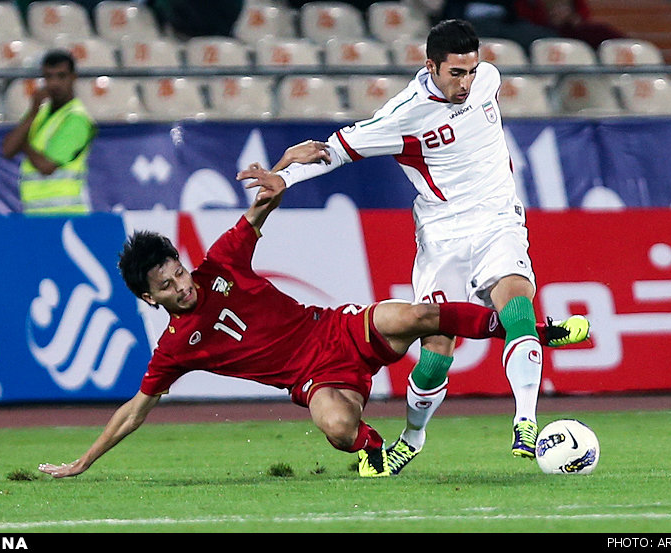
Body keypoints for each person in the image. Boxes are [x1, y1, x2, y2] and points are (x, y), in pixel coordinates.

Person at [244, 19, 590, 476]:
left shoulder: (488, 80)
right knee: (436, 352)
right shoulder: (404, 114)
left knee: (517, 302)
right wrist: (284, 176)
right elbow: (336, 151)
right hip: (442, 236)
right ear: (431, 67)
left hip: (498, 220)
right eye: (455, 74)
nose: (466, 82)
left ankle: (525, 421)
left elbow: (479, 87)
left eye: (471, 70)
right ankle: (412, 438)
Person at [37, 165, 511, 479]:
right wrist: (84, 461)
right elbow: (136, 409)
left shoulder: (221, 263)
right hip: (314, 378)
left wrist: (281, 181)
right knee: (338, 427)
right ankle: (373, 451)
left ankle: (524, 327)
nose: (181, 285)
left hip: (337, 328)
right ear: (149, 297)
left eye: (178, 271)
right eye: (166, 285)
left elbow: (258, 210)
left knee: (419, 314)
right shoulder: (174, 348)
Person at [1, 50, 96, 215]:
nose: (54, 83)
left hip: (66, 214)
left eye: (61, 76)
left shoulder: (77, 119)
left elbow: (46, 166)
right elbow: (7, 150)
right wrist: (32, 111)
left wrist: (24, 141)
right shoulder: (41, 112)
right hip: (36, 214)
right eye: (48, 77)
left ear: (73, 77)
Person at [514, 0, 626, 49]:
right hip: (543, 34)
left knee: (600, 32)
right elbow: (523, 18)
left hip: (573, 30)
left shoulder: (591, 31)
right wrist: (549, 19)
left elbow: (582, 13)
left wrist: (574, 18)